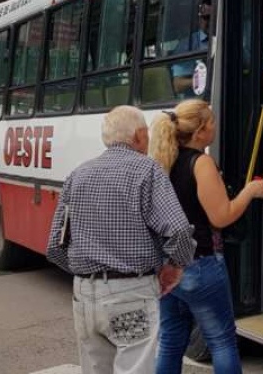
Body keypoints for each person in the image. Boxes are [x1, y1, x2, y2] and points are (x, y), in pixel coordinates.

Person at [46, 105, 195, 374]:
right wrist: (175, 266)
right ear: (139, 136)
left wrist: (86, 275)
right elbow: (180, 230)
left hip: (84, 297)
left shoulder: (77, 175)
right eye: (146, 133)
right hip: (131, 295)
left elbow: (55, 247)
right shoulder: (147, 171)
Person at [149, 100, 263, 374]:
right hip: (199, 264)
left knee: (170, 341)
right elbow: (221, 216)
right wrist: (250, 191)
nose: (216, 126)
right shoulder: (201, 162)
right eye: (212, 121)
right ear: (200, 131)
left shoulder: (163, 160)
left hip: (166, 267)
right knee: (222, 341)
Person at [170, 0, 211, 97]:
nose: (211, 21)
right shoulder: (188, 44)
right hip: (199, 100)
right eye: (207, 18)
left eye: (214, 17)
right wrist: (201, 81)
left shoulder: (229, 39)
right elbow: (178, 85)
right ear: (199, 20)